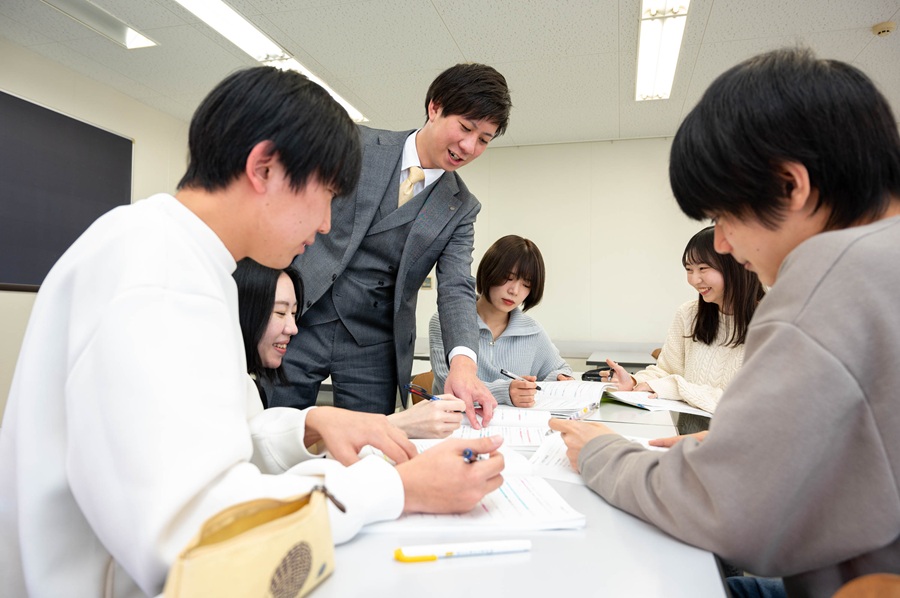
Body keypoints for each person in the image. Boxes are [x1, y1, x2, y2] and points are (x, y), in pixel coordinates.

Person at [0, 66, 505, 598]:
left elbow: (224, 440)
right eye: (327, 194)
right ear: (264, 169)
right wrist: (394, 488)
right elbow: (202, 550)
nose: (328, 224)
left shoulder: (187, 260)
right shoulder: (158, 278)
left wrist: (310, 422)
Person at [551, 47, 900, 597]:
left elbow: (730, 515)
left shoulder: (824, 282)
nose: (722, 244)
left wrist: (599, 450)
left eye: (724, 215)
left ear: (791, 185)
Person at [267, 63, 513, 429]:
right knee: (275, 430)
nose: (469, 146)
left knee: (370, 450)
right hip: (303, 320)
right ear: (434, 106)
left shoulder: (461, 206)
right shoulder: (356, 145)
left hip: (374, 345)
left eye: (484, 139)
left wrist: (464, 363)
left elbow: (456, 287)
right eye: (465, 127)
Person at [234, 258, 464, 438]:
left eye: (294, 314)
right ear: (242, 309)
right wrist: (398, 423)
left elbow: (276, 440)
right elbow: (266, 449)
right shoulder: (225, 388)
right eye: (280, 312)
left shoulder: (246, 387)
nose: (293, 329)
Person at [605, 225, 765, 414]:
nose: (694, 279)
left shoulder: (771, 321)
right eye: (689, 269)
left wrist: (677, 388)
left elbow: (751, 401)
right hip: (684, 431)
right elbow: (667, 371)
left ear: (735, 267)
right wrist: (634, 381)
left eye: (703, 269)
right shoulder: (689, 314)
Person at [430, 235, 573, 408]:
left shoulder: (532, 331)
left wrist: (558, 379)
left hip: (514, 429)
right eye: (508, 277)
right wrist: (506, 391)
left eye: (526, 284)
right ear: (490, 271)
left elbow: (561, 370)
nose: (514, 290)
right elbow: (452, 387)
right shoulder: (444, 322)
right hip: (456, 426)